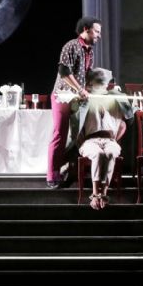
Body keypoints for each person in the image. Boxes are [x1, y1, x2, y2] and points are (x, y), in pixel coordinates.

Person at [46, 16, 101, 188]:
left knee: (78, 135)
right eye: (97, 31)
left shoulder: (89, 51)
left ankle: (70, 168)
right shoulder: (71, 46)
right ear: (86, 29)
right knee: (59, 134)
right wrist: (79, 89)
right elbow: (64, 72)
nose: (99, 35)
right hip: (62, 96)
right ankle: (52, 175)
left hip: (78, 98)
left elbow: (86, 75)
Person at [70, 67, 129, 210]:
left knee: (110, 153)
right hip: (90, 141)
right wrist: (81, 142)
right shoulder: (85, 100)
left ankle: (104, 193)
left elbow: (123, 124)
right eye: (97, 83)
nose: (101, 86)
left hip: (109, 140)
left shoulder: (114, 100)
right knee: (98, 154)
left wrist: (114, 139)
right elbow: (74, 124)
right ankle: (96, 194)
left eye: (103, 83)